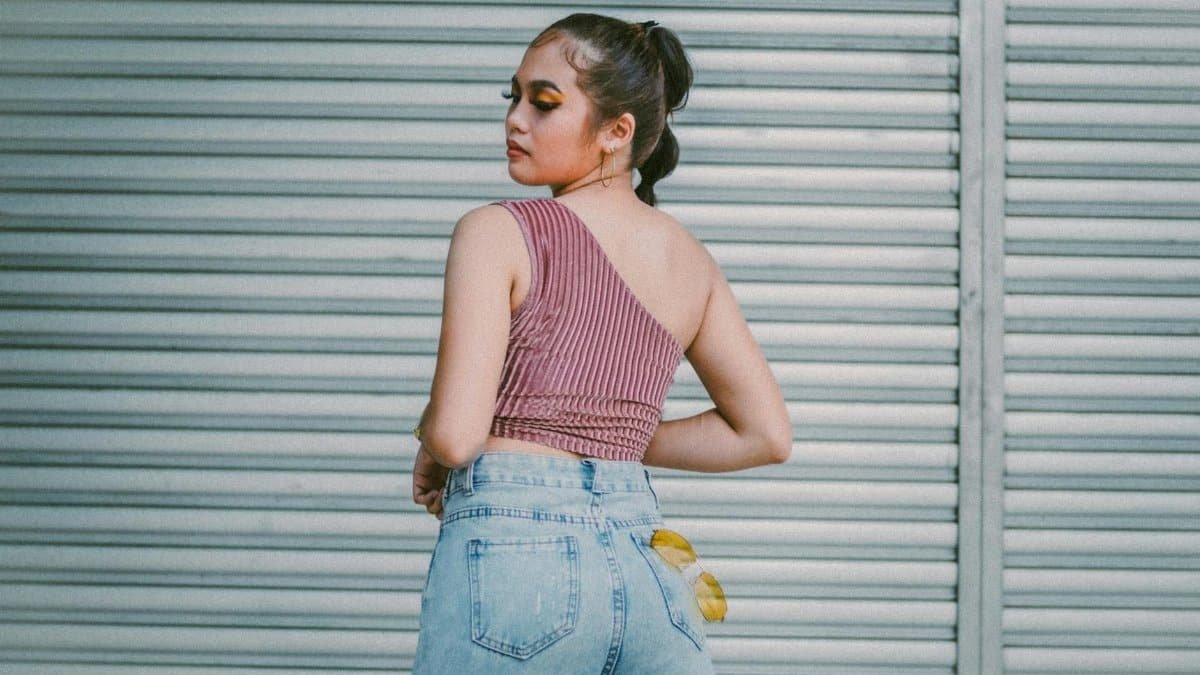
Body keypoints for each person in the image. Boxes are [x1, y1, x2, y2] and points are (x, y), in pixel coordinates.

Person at [411, 13, 792, 674]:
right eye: (515, 96)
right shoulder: (689, 260)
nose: (516, 119)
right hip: (652, 569)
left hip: (517, 565)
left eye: (545, 102)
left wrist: (431, 444)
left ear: (619, 132)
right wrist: (610, 434)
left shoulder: (496, 231)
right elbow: (765, 434)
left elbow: (455, 435)